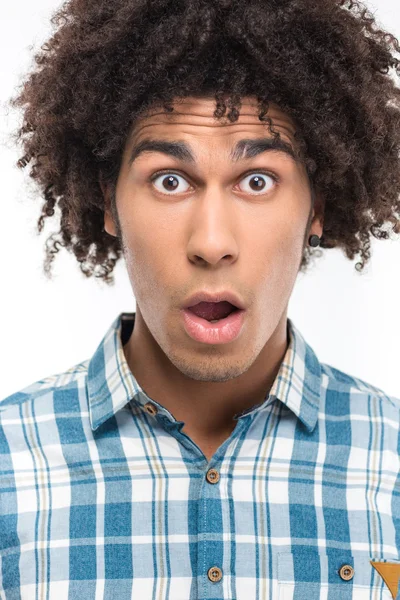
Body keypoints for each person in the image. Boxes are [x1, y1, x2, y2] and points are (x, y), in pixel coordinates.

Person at [2, 0, 400, 597]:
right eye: (170, 180)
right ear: (108, 203)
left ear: (316, 206)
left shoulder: (391, 464)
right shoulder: (9, 467)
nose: (212, 243)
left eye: (257, 180)